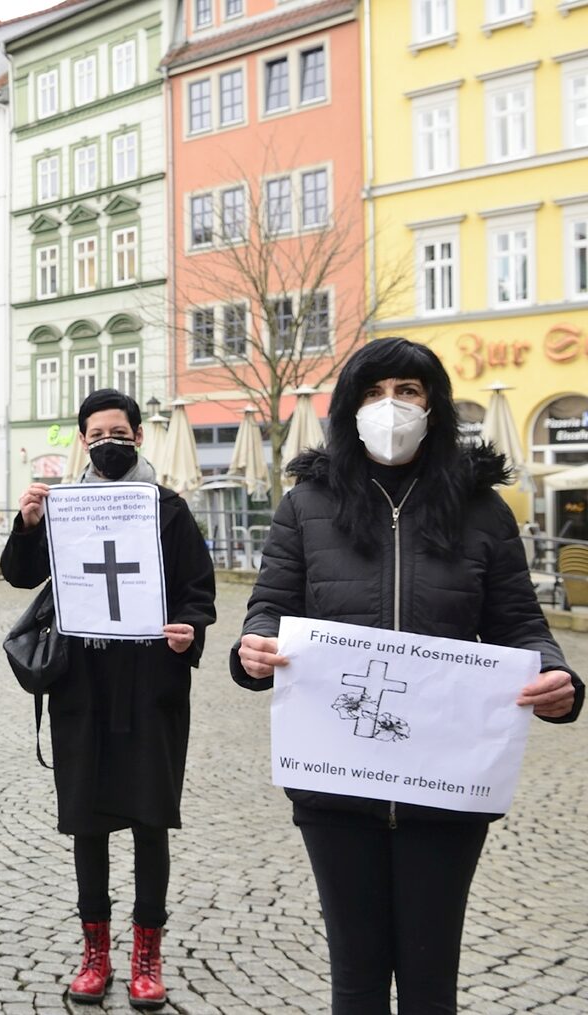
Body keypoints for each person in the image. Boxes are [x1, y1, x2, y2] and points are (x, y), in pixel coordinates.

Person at [231, 338, 582, 1015]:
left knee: (429, 983)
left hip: (446, 787)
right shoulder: (307, 504)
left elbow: (520, 625)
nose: (390, 405)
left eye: (409, 390)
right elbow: (270, 609)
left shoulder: (482, 508)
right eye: (372, 391)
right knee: (356, 982)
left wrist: (556, 675)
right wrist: (256, 648)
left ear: (434, 404)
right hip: (335, 785)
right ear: (348, 406)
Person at [1, 388, 216, 1011]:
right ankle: (94, 951)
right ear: (82, 441)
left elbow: (198, 591)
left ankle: (147, 952)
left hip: (151, 688)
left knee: (151, 820)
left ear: (139, 437)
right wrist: (29, 524)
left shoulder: (169, 510)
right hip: (84, 689)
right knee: (87, 823)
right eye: (95, 434)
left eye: (118, 432)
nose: (108, 443)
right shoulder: (63, 509)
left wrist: (190, 629)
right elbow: (20, 574)